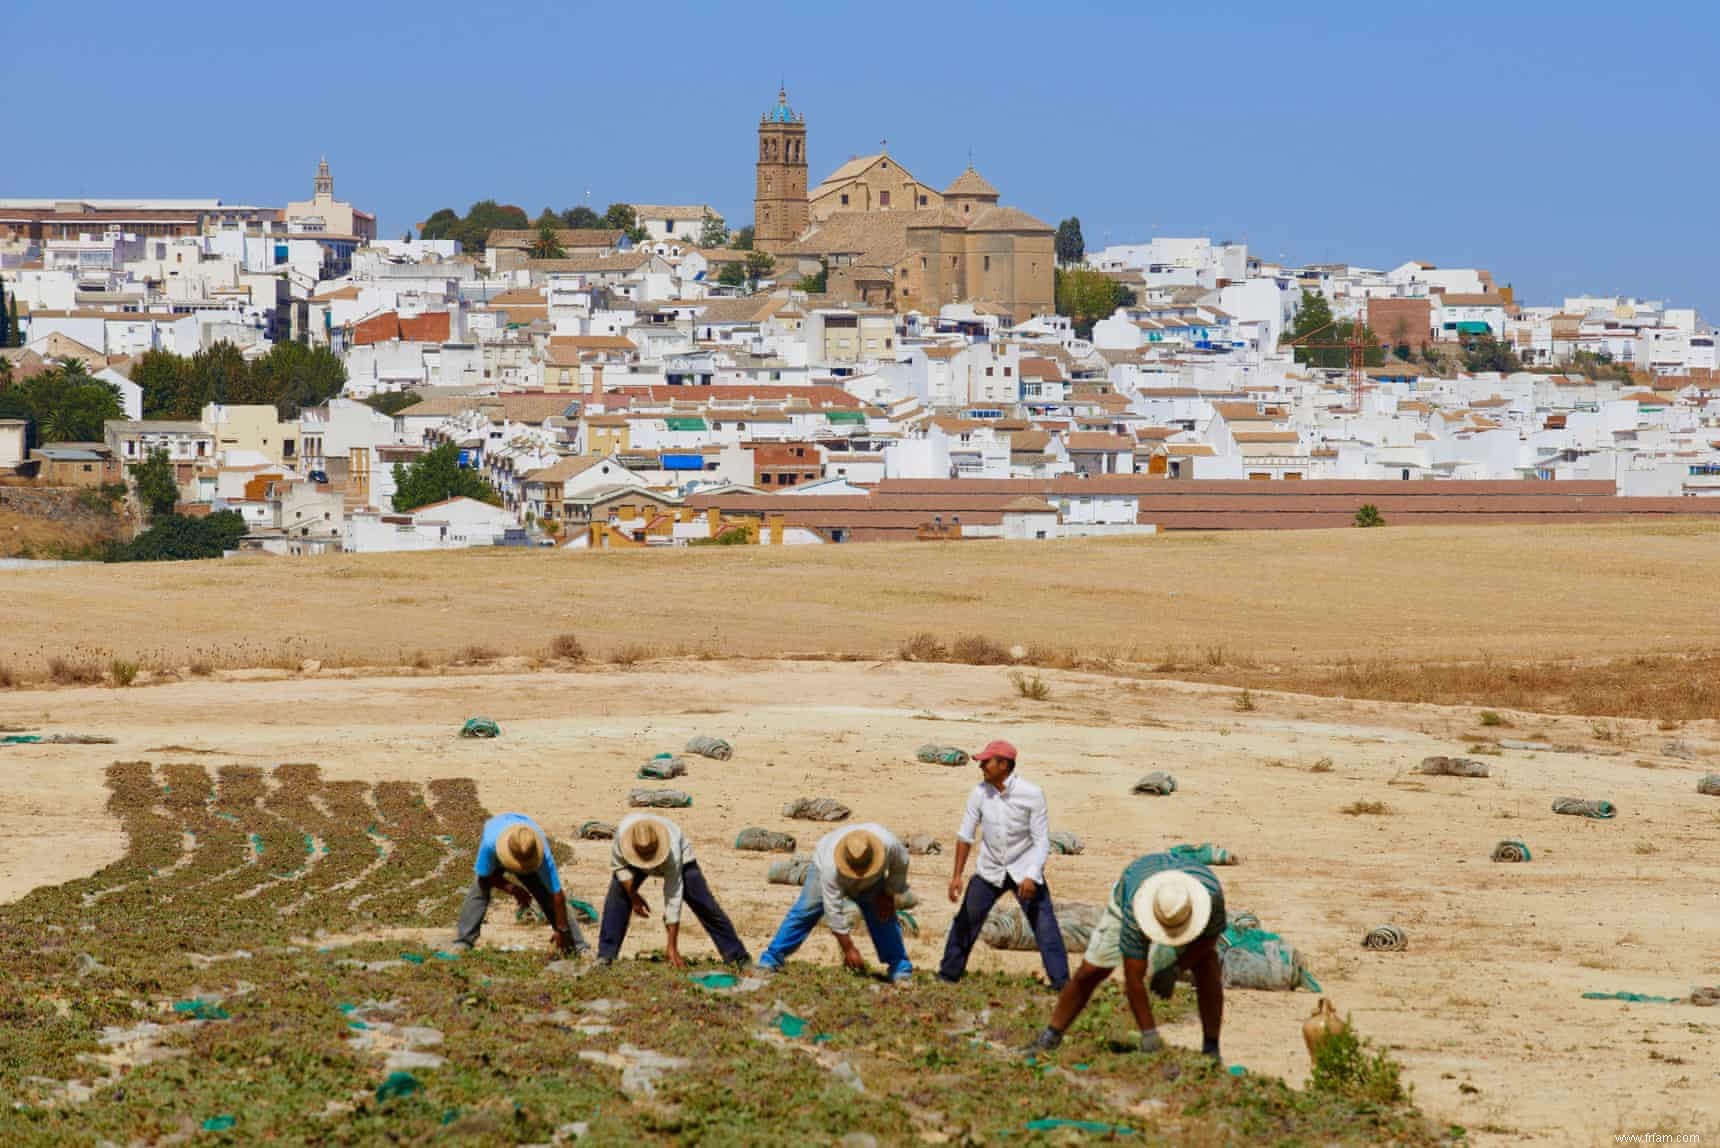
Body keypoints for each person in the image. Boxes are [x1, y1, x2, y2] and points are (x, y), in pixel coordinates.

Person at [1025, 852, 1227, 1060]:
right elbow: (1133, 977)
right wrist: (1149, 1035)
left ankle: (1211, 1049)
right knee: (1092, 970)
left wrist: (1176, 968)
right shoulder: (1135, 908)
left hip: (1186, 896)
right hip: (1132, 889)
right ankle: (1051, 1035)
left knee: (1207, 964)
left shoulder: (1210, 896)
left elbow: (1209, 940)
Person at [939, 739, 1068, 990]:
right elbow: (966, 835)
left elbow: (1041, 841)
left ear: (1004, 765)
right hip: (990, 869)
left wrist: (1032, 876)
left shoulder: (1032, 794)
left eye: (986, 762)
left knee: (1045, 927)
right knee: (966, 920)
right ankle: (948, 975)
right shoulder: (979, 793)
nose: (982, 767)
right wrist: (956, 876)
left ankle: (1062, 984)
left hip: (1024, 869)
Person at [757, 823, 913, 983]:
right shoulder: (829, 866)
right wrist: (848, 948)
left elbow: (901, 864)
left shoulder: (889, 844)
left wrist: (888, 894)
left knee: (883, 915)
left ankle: (900, 969)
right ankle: (770, 960)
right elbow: (833, 911)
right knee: (804, 912)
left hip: (872, 883)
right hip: (826, 872)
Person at [596, 813, 750, 969]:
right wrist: (634, 896)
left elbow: (673, 896)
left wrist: (672, 946)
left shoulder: (672, 850)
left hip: (682, 860)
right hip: (633, 859)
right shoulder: (622, 839)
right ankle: (605, 955)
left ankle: (737, 956)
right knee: (617, 898)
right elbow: (619, 868)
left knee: (704, 904)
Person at [452, 813, 588, 956]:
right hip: (498, 850)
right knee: (479, 888)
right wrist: (513, 889)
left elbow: (557, 894)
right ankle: (464, 941)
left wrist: (562, 930)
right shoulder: (490, 843)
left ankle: (579, 946)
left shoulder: (539, 850)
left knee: (545, 894)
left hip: (526, 852)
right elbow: (486, 875)